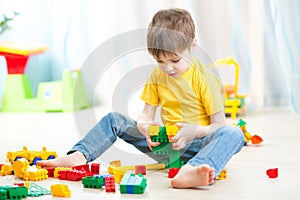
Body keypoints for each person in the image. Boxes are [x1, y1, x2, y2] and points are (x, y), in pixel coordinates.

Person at [37, 8, 244, 188]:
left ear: (192, 45)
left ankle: (193, 169)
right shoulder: (158, 75)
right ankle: (80, 155)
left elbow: (218, 125)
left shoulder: (205, 78)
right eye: (160, 61)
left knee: (233, 134)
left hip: (199, 144)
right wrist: (146, 127)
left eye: (175, 60)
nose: (168, 68)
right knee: (114, 119)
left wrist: (194, 131)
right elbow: (146, 114)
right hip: (165, 145)